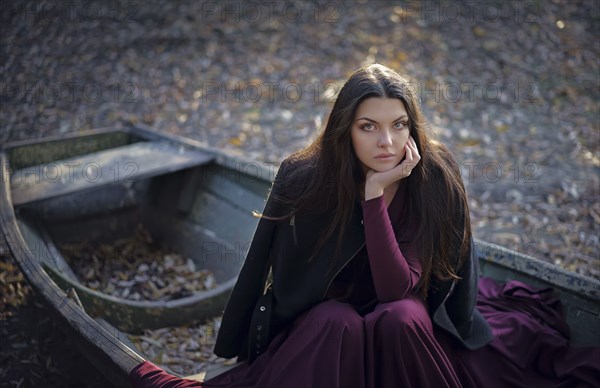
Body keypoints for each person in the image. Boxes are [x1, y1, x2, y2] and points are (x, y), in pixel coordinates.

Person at [130, 64, 599, 387]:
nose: (387, 142)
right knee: (337, 322)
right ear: (344, 130)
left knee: (400, 317)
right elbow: (262, 268)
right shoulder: (305, 178)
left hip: (407, 324)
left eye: (398, 125)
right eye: (368, 126)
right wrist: (239, 342)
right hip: (330, 322)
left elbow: (399, 289)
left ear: (412, 127)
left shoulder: (433, 178)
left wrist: (375, 196)